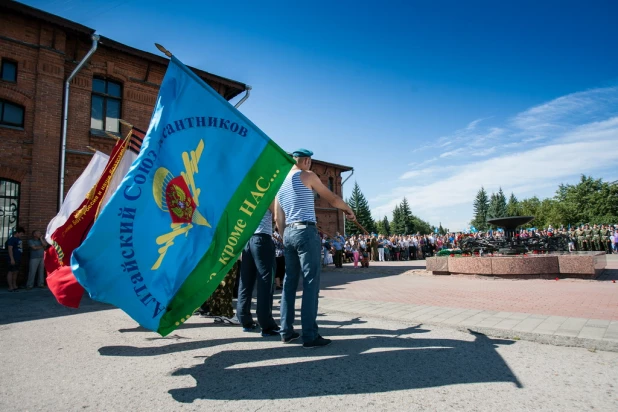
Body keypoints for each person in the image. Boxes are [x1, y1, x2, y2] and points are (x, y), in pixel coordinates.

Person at [275, 148, 355, 348]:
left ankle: (286, 331)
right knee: (310, 282)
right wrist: (348, 209)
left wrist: (286, 237)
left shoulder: (280, 184)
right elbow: (332, 198)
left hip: (289, 233)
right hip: (306, 231)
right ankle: (310, 335)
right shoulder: (307, 175)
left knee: (289, 282)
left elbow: (278, 218)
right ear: (307, 161)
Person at [236, 204, 280, 336]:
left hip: (247, 241)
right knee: (266, 282)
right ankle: (266, 325)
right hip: (262, 238)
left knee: (245, 281)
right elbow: (277, 215)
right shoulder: (268, 192)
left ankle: (245, 320)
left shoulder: (247, 194)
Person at [6, 227, 25, 292]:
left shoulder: (18, 239)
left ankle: (14, 285)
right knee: (11, 272)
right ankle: (10, 286)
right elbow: (10, 249)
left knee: (16, 272)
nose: (21, 235)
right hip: (13, 258)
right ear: (17, 233)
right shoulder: (12, 239)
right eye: (21, 234)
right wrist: (12, 258)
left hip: (18, 258)